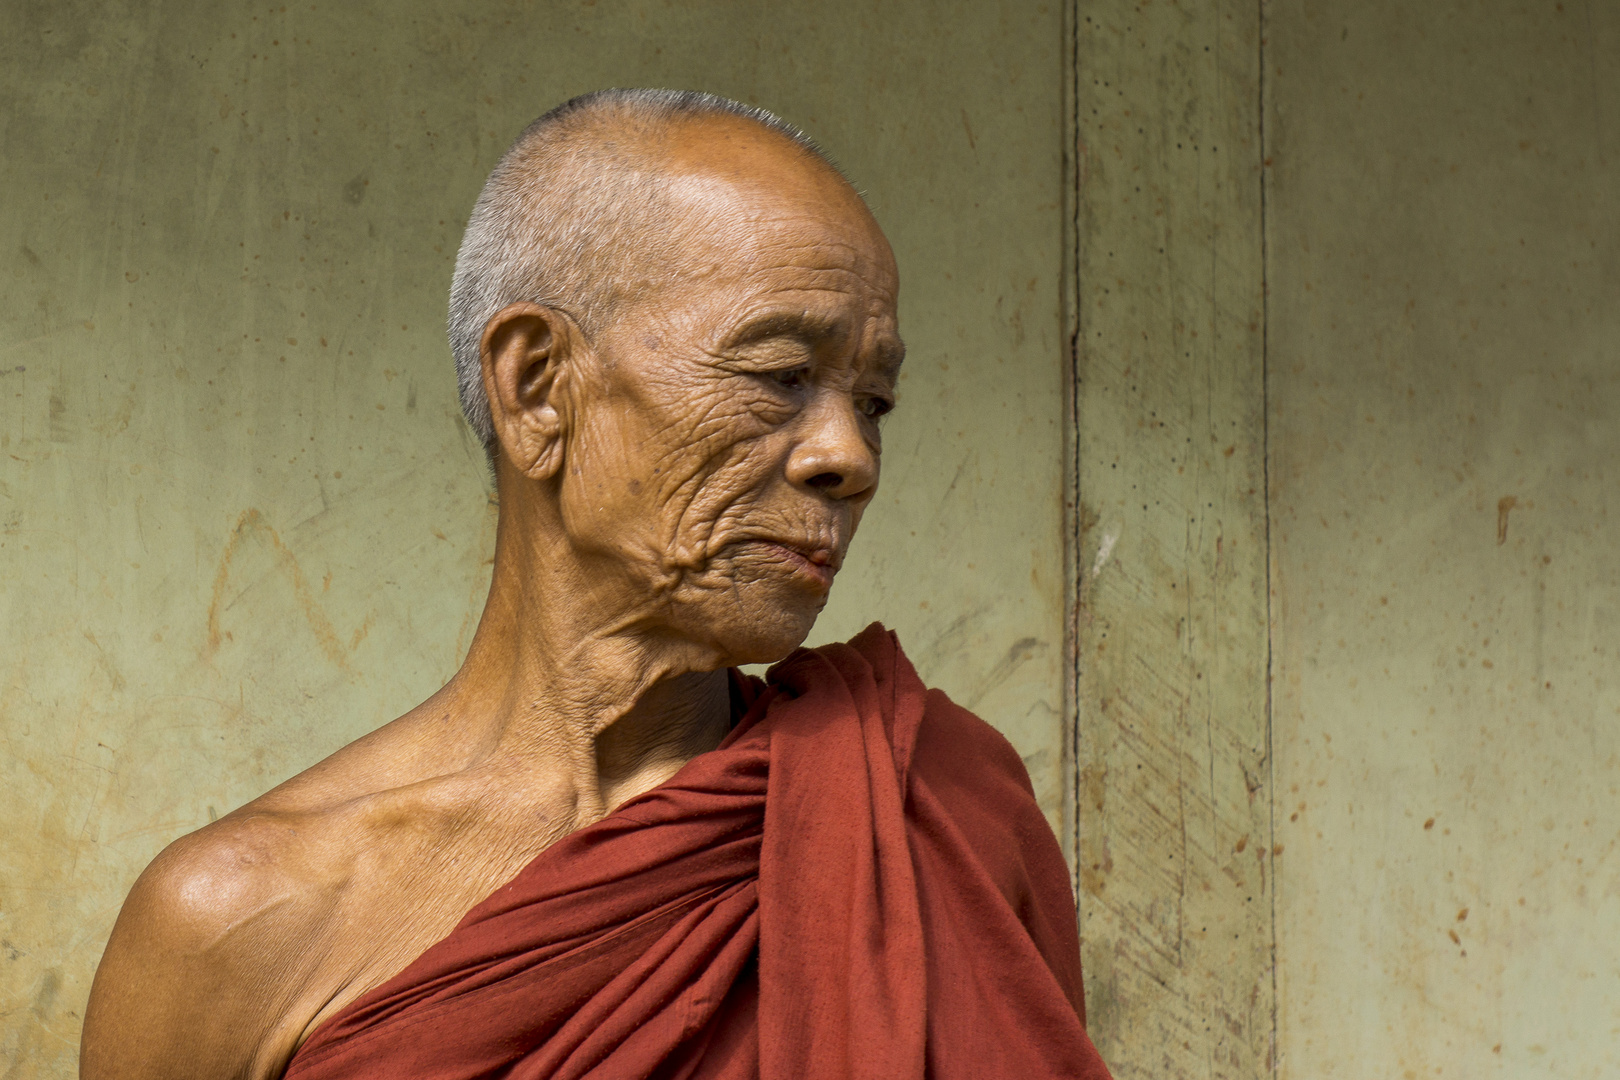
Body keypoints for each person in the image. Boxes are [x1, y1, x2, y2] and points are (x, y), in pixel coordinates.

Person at [80, 89, 1112, 1080]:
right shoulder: (237, 922)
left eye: (874, 398)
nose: (849, 455)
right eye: (780, 376)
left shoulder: (929, 816)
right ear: (537, 388)